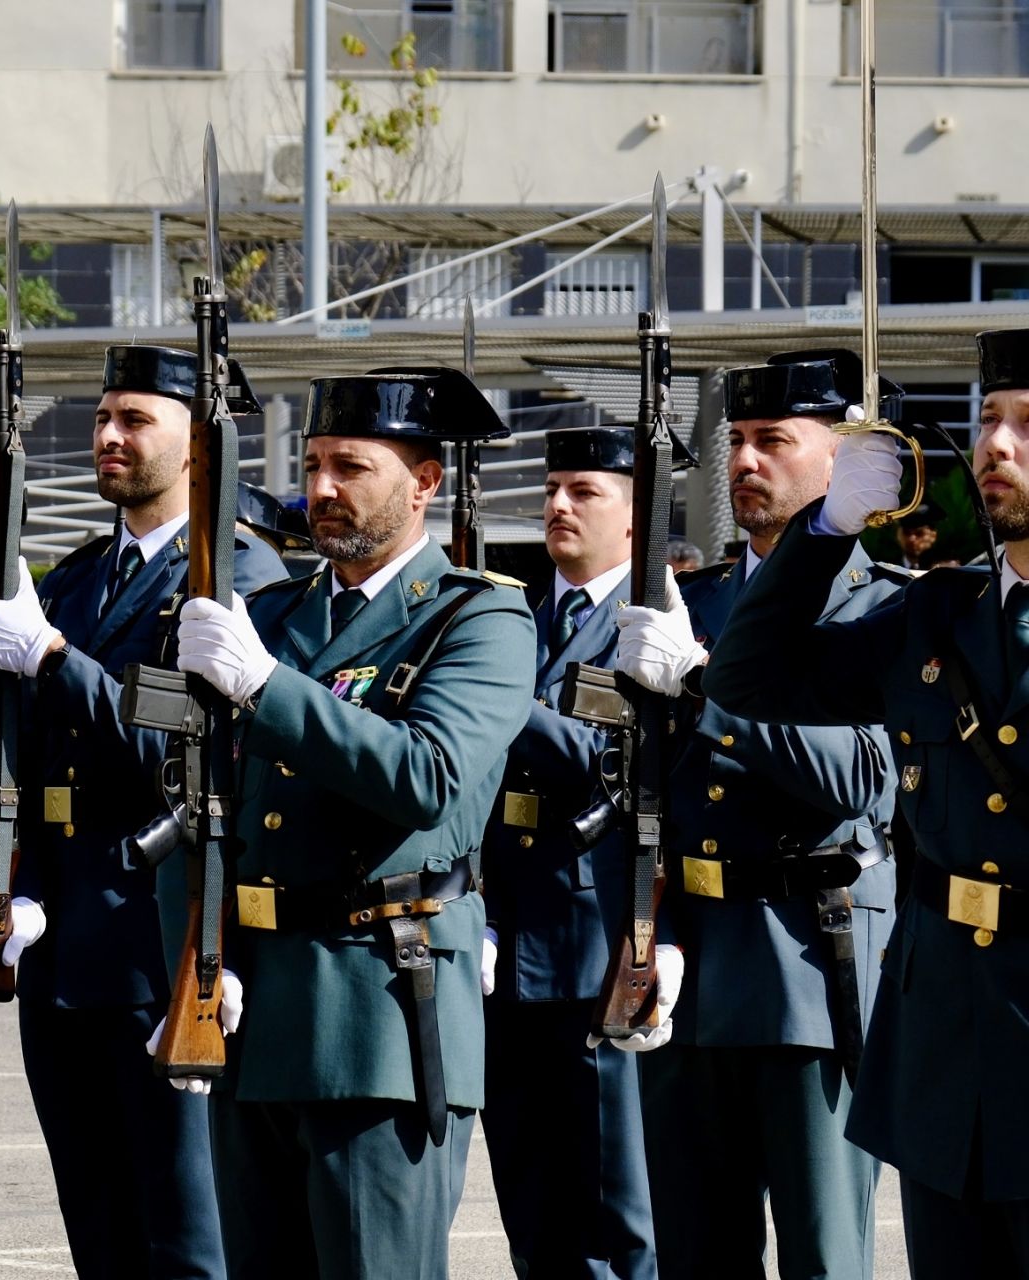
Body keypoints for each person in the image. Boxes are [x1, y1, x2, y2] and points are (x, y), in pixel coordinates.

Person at [173, 367, 535, 1279]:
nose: (323, 489)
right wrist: (193, 962)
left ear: (425, 483)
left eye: (353, 467)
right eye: (314, 464)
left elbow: (429, 778)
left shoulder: (479, 617)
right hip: (252, 1007)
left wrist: (267, 687)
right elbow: (196, 808)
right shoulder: (273, 614)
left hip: (380, 1008)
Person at [703, 326, 1029, 1278]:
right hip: (944, 1045)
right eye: (990, 420)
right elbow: (750, 681)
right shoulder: (939, 610)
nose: (995, 447)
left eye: (1024, 427)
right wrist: (828, 531)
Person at [0, 344, 286, 1278]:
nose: (108, 436)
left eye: (135, 419)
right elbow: (21, 761)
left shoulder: (241, 578)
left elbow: (182, 755)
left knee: (187, 1237)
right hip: (63, 943)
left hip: (163, 943)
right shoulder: (73, 578)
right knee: (98, 1229)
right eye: (103, 417)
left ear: (198, 444)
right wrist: (10, 885)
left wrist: (58, 661)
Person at [614, 349, 902, 1280]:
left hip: (810, 967)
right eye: (735, 441)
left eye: (774, 440)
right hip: (691, 961)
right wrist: (650, 922)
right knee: (695, 1255)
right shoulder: (692, 600)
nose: (743, 461)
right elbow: (646, 786)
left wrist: (707, 690)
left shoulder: (886, 608)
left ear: (843, 463)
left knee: (824, 1255)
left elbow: (863, 776)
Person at [480, 426, 658, 1280]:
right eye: (553, 488)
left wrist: (491, 690)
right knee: (531, 1208)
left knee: (613, 1219)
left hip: (595, 953)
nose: (557, 505)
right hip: (506, 948)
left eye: (584, 491)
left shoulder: (654, 620)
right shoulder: (516, 613)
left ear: (635, 516)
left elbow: (605, 762)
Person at [896, 500, 942, 570]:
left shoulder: (943, 570)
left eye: (919, 533)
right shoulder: (886, 571)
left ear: (933, 535)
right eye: (906, 532)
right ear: (899, 535)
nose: (912, 538)